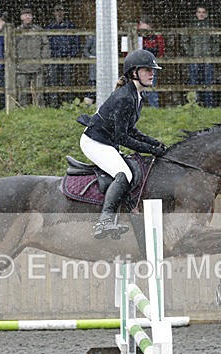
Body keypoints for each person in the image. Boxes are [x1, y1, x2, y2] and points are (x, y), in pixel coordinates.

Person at [77, 50, 167, 239]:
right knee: (124, 173)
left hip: (107, 141)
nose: (152, 73)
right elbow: (122, 138)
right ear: (134, 73)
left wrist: (153, 142)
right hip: (95, 142)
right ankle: (105, 221)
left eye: (153, 70)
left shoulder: (137, 96)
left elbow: (131, 130)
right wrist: (151, 150)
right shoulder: (125, 97)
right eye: (147, 70)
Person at [181, 5, 219, 107]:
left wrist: (211, 53)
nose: (201, 14)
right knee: (194, 82)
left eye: (203, 12)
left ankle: (208, 105)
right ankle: (194, 104)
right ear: (196, 14)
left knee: (208, 82)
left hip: (208, 59)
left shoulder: (210, 26)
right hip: (194, 58)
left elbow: (216, 41)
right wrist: (190, 53)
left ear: (206, 14)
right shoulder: (191, 26)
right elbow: (184, 40)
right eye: (199, 12)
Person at [45, 4, 80, 106]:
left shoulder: (70, 26)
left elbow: (76, 43)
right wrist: (51, 55)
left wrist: (71, 55)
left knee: (67, 81)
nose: (59, 13)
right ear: (54, 13)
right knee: (53, 81)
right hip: (54, 59)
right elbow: (46, 43)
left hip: (67, 58)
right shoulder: (50, 27)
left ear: (64, 13)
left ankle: (67, 103)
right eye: (57, 11)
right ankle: (54, 103)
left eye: (61, 11)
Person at [15, 6, 50, 107]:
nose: (27, 17)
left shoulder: (39, 30)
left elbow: (46, 45)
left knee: (39, 92)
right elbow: (11, 48)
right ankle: (22, 110)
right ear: (21, 17)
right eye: (25, 15)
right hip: (21, 68)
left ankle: (39, 110)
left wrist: (44, 61)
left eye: (29, 15)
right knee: (22, 92)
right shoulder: (16, 31)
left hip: (37, 67)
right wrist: (15, 62)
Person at [138, 16, 165, 107]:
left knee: (151, 85)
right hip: (137, 65)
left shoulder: (155, 37)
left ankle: (154, 107)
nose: (143, 32)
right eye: (141, 29)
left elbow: (161, 50)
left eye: (145, 29)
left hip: (150, 65)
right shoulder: (135, 36)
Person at [83, 34, 96, 105]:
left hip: (105, 65)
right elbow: (85, 49)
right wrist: (90, 56)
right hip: (94, 65)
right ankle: (88, 104)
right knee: (92, 83)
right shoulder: (92, 37)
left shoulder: (109, 36)